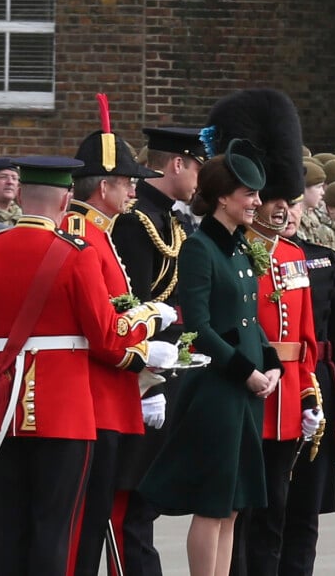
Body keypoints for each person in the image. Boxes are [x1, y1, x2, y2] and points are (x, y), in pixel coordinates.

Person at [0, 156, 176, 576]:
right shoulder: (76, 253)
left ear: (20, 196)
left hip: (4, 410)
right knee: (56, 529)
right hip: (65, 411)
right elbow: (108, 339)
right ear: (66, 199)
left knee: (9, 529)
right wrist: (148, 318)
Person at [139, 139, 282, 576]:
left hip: (246, 386)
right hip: (220, 388)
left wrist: (271, 359)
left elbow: (245, 317)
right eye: (249, 195)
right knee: (214, 502)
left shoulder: (238, 247)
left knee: (235, 504)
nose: (256, 203)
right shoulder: (201, 247)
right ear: (223, 198)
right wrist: (246, 371)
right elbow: (199, 326)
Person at [204, 87, 320, 576]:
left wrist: (309, 391)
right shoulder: (227, 250)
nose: (279, 209)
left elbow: (308, 333)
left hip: (287, 393)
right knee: (238, 511)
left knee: (275, 508)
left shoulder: (295, 256)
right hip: (246, 386)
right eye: (268, 199)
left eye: (285, 200)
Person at [62, 122, 178, 576]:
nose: (134, 190)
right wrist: (147, 342)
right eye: (128, 181)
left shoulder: (101, 232)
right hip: (96, 396)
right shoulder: (85, 237)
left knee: (98, 520)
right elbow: (105, 328)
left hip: (112, 392)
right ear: (105, 185)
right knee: (87, 524)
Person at [109, 126, 206, 575]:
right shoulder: (135, 220)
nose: (199, 178)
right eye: (197, 166)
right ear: (178, 163)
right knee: (132, 501)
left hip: (168, 368)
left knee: (146, 498)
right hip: (141, 373)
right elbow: (133, 303)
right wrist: (147, 379)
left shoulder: (170, 219)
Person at [277, 200, 335, 575]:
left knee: (305, 507)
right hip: (272, 386)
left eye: (295, 205)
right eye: (279, 205)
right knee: (261, 509)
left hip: (318, 386)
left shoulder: (324, 259)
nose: (289, 214)